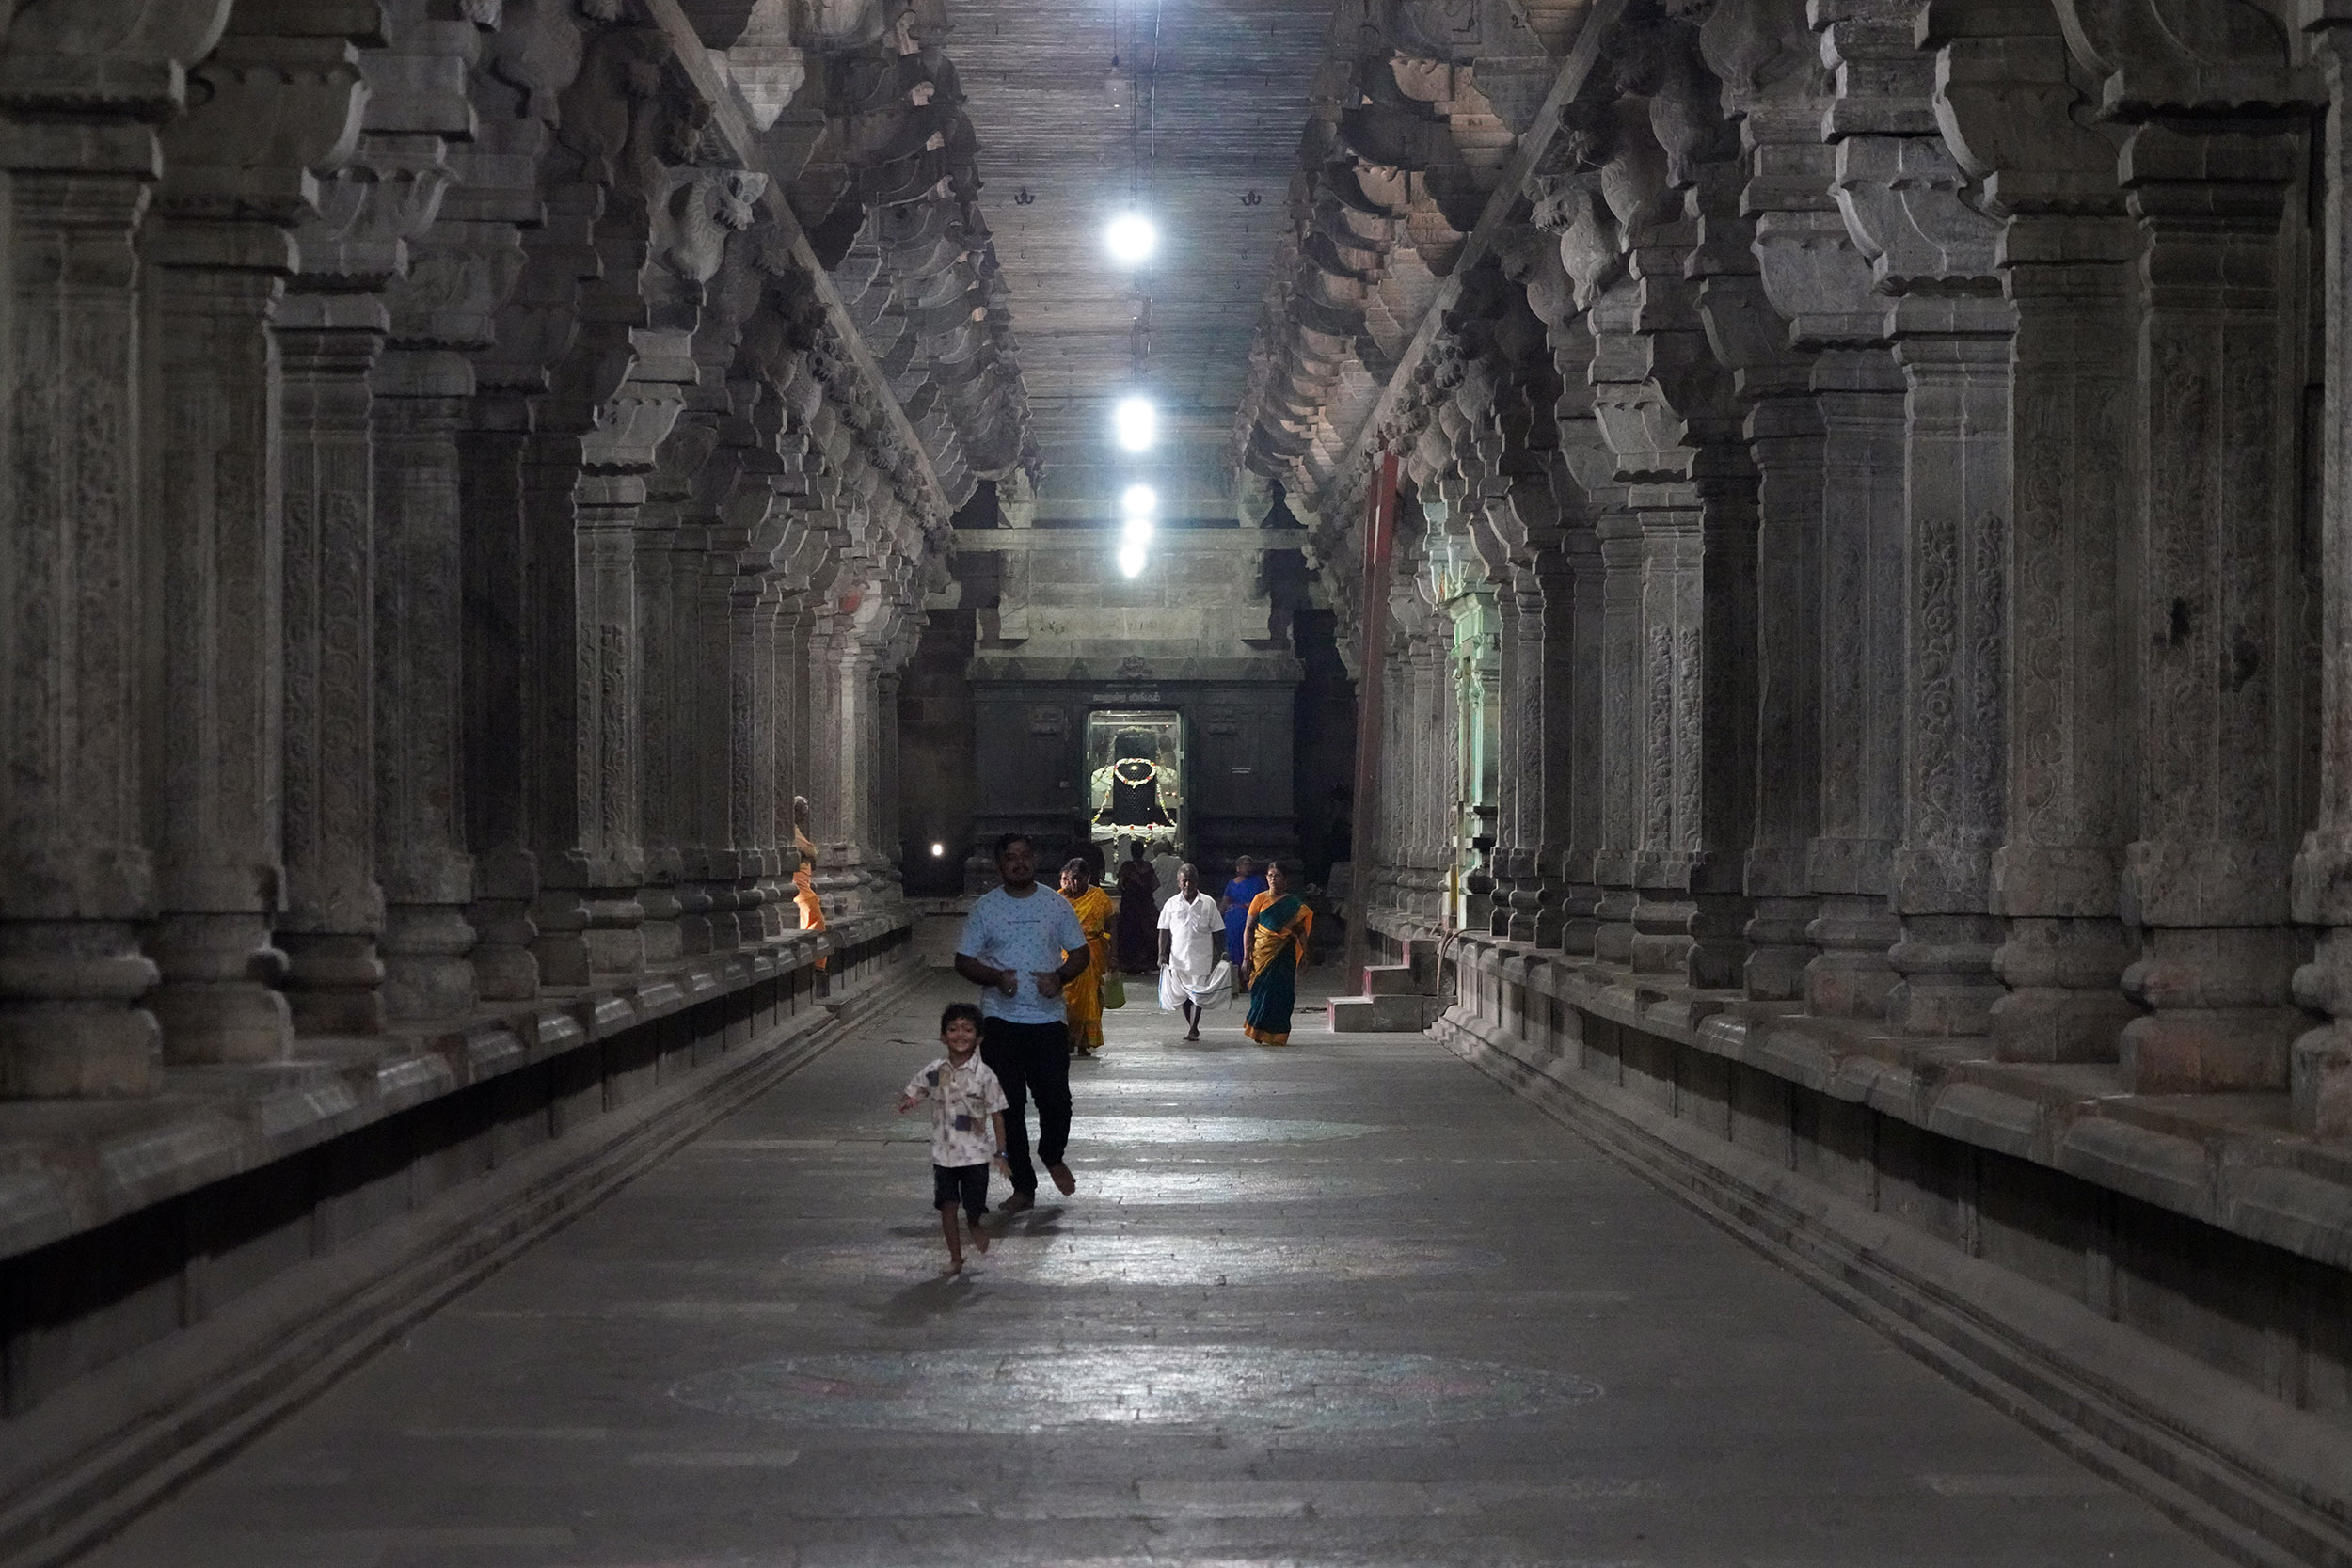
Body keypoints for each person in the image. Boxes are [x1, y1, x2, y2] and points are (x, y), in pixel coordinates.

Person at [953, 834, 1088, 1210]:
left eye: (1026, 856)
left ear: (1035, 861)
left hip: (1048, 1019)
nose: (1020, 864)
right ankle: (1023, 1187)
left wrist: (1059, 978)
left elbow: (1081, 952)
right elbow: (964, 960)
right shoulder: (986, 909)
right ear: (1000, 865)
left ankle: (1052, 1152)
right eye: (1011, 858)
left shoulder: (1055, 905)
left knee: (1056, 1100)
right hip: (1002, 1020)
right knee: (1008, 1108)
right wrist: (996, 978)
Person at [897, 1001, 1009, 1275]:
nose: (960, 1034)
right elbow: (918, 1089)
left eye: (967, 1030)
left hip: (975, 1155)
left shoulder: (985, 1076)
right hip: (943, 1154)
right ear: (943, 1036)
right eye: (953, 1029)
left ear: (978, 1038)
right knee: (947, 1205)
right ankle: (955, 1257)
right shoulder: (935, 1070)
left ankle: (974, 1224)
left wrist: (1001, 1153)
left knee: (973, 1204)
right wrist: (910, 1101)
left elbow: (997, 1114)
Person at [1241, 861, 1313, 1047]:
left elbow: (1300, 932)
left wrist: (1305, 954)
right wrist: (1246, 957)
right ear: (1266, 878)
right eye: (1270, 875)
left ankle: (1278, 1034)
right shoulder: (1259, 899)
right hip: (1261, 954)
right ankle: (1258, 1029)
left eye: (1277, 875)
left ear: (1285, 880)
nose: (1273, 879)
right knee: (1261, 991)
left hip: (1284, 955)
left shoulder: (1293, 904)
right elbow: (1249, 928)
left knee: (1283, 994)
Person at [1156, 863, 1229, 1040]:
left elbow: (1218, 930)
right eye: (1184, 880)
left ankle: (1194, 1027)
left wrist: (1223, 952)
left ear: (1198, 881)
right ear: (1178, 882)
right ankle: (1192, 1026)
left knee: (1198, 994)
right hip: (1178, 958)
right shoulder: (1171, 904)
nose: (1188, 884)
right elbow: (1163, 931)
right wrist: (1161, 954)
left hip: (1201, 957)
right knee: (1184, 996)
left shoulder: (1209, 903)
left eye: (1191, 880)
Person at [1057, 858, 1115, 1056]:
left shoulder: (1098, 897)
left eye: (1079, 879)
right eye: (1072, 879)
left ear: (1088, 878)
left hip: (1093, 954)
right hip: (1067, 956)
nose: (1075, 884)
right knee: (1068, 998)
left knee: (1092, 997)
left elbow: (1111, 924)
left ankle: (1084, 1042)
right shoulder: (1059, 899)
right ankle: (1067, 1038)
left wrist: (1109, 949)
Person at [1220, 855, 1267, 995]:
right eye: (1244, 865)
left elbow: (1265, 899)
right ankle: (1239, 981)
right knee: (1235, 950)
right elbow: (1225, 902)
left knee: (1252, 949)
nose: (1248, 867)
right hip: (1234, 920)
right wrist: (1216, 918)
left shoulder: (1258, 882)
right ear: (1238, 868)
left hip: (1252, 919)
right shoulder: (1231, 884)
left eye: (1249, 865)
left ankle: (1251, 980)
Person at [791, 795, 827, 971]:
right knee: (815, 918)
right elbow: (808, 850)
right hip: (797, 886)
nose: (804, 817)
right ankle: (817, 966)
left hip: (803, 883)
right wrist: (810, 852)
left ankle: (816, 963)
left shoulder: (796, 829)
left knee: (815, 918)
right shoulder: (790, 830)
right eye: (801, 812)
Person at [1114, 838, 1159, 973]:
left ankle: (1130, 964)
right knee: (1145, 934)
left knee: (1130, 934)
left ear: (1131, 852)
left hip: (1130, 908)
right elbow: (1155, 885)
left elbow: (1119, 886)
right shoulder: (1148, 866)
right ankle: (1145, 963)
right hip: (1145, 907)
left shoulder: (1127, 867)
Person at [1149, 838, 1182, 911]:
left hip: (1157, 903)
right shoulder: (1178, 862)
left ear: (1155, 851)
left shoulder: (1153, 864)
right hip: (1175, 902)